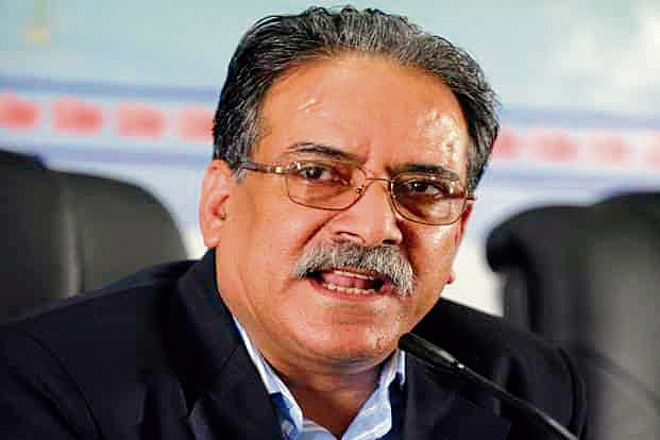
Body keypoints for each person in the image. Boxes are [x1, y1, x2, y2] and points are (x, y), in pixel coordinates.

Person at [0, 6, 586, 440]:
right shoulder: (46, 386)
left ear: (456, 232)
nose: (374, 228)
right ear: (221, 205)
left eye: (423, 189)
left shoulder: (526, 388)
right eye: (319, 174)